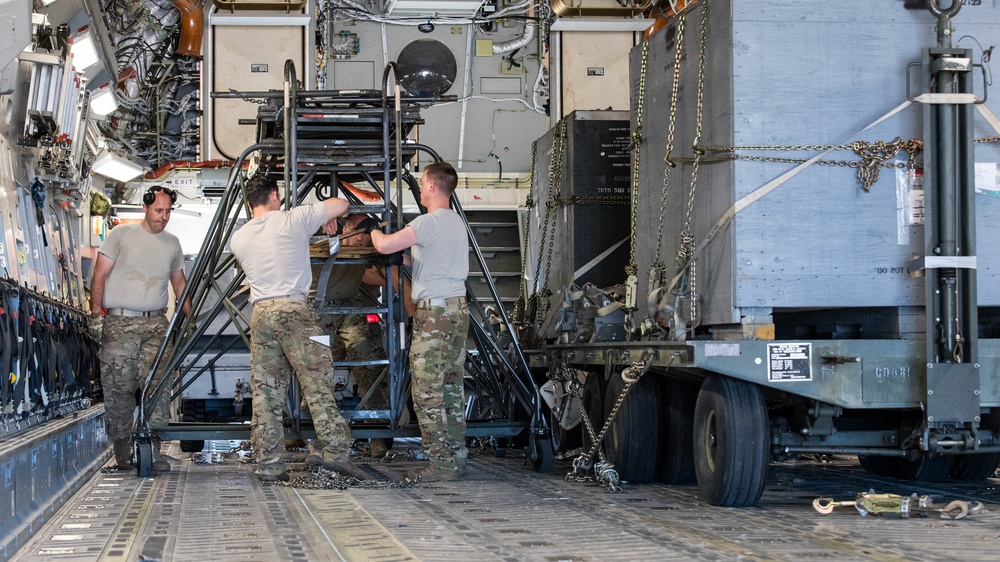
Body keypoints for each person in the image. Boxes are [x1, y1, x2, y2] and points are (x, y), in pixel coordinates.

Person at [230, 174, 368, 482]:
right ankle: (336, 452)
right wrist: (326, 219)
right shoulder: (293, 220)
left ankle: (270, 465)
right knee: (317, 383)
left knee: (266, 393)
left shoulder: (238, 239)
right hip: (295, 310)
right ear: (276, 196)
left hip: (261, 313)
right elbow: (341, 204)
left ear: (250, 202)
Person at [363, 162, 470, 482]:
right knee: (451, 387)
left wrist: (373, 227)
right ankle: (456, 456)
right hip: (456, 311)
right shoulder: (456, 223)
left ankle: (440, 463)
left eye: (423, 184)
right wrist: (403, 259)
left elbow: (383, 244)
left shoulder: (428, 222)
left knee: (426, 390)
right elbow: (424, 260)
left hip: (434, 315)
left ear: (434, 187)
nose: (421, 190)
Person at [89, 185, 190, 471]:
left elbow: (179, 284)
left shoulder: (172, 244)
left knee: (156, 386)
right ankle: (123, 452)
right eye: (159, 210)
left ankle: (152, 450)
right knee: (119, 387)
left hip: (156, 324)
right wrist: (96, 314)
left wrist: (189, 316)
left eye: (168, 211)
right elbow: (100, 274)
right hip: (120, 323)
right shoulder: (121, 235)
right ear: (145, 207)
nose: (164, 217)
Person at [321, 214, 414, 459]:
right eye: (355, 232)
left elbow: (387, 279)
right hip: (328, 317)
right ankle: (301, 427)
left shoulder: (373, 256)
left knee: (370, 367)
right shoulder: (329, 247)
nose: (359, 239)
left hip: (362, 317)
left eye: (365, 234)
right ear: (345, 229)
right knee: (312, 368)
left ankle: (379, 436)